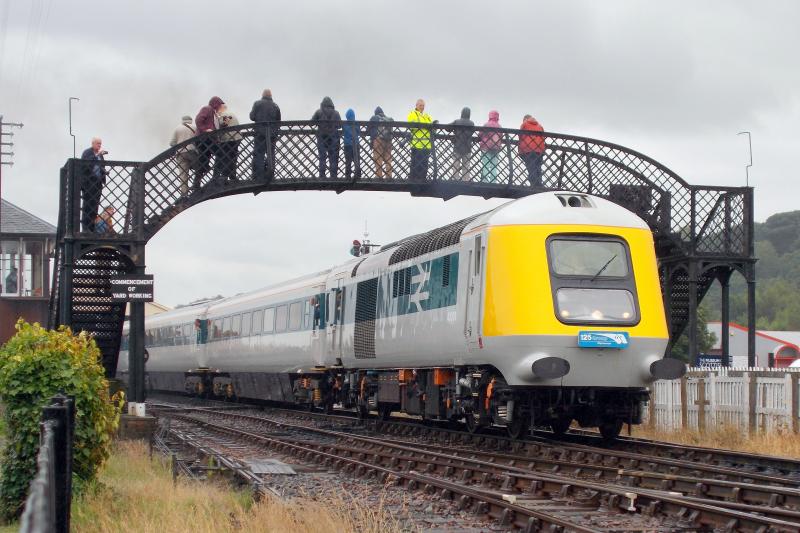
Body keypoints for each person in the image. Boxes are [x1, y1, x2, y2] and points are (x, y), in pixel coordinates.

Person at [250, 89, 281, 181]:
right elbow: (278, 121)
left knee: (259, 154)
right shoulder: (276, 106)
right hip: (272, 134)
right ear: (271, 96)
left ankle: (259, 176)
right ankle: (270, 175)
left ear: (262, 95)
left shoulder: (257, 104)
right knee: (271, 154)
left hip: (259, 133)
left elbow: (252, 117)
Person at [194, 96, 225, 189]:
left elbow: (213, 128)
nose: (221, 106)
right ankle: (215, 177)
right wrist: (205, 130)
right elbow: (198, 119)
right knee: (221, 154)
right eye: (220, 104)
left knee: (203, 162)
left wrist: (223, 125)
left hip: (206, 139)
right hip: (205, 139)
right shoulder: (207, 109)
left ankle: (196, 184)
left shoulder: (213, 113)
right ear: (215, 103)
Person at [80, 137, 108, 232]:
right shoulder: (87, 152)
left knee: (95, 206)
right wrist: (97, 155)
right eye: (98, 143)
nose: (99, 145)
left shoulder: (100, 156)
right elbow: (85, 165)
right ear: (92, 143)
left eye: (100, 144)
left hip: (98, 183)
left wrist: (104, 173)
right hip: (89, 182)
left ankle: (92, 227)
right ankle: (86, 228)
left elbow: (101, 166)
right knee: (88, 205)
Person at [311, 97, 341, 178]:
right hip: (333, 138)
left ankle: (322, 175)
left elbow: (311, 123)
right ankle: (333, 176)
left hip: (321, 137)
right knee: (333, 158)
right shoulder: (336, 113)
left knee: (322, 157)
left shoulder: (319, 112)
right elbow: (339, 126)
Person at [169, 115, 198, 196]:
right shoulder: (195, 128)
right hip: (192, 151)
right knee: (199, 169)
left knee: (183, 175)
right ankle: (196, 186)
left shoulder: (177, 128)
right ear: (190, 120)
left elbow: (172, 143)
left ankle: (184, 194)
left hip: (180, 153)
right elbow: (198, 141)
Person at [407, 99, 433, 181]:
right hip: (417, 143)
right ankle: (414, 180)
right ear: (416, 105)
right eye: (420, 105)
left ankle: (422, 179)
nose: (422, 107)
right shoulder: (412, 114)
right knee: (416, 164)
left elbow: (431, 128)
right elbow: (411, 126)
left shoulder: (427, 116)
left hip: (427, 144)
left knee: (425, 164)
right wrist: (422, 125)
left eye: (423, 106)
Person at [518, 114, 546, 186]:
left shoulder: (524, 124)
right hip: (539, 149)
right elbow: (543, 137)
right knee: (538, 167)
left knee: (531, 166)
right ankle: (539, 183)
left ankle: (533, 184)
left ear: (525, 119)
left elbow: (520, 135)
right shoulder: (540, 126)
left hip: (528, 148)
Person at [216, 111, 243, 182]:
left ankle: (224, 176)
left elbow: (223, 124)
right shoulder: (232, 114)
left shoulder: (223, 116)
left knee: (226, 158)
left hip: (228, 139)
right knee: (233, 158)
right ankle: (232, 175)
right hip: (236, 138)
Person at [368, 107, 393, 178]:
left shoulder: (374, 118)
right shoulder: (388, 119)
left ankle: (379, 176)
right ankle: (389, 176)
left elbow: (368, 129)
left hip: (378, 140)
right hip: (388, 141)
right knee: (388, 159)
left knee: (378, 158)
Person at [479, 110, 503, 183]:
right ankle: (493, 181)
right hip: (496, 147)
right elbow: (501, 136)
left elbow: (480, 134)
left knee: (485, 165)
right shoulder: (499, 126)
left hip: (486, 146)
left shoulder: (486, 125)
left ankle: (485, 181)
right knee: (494, 166)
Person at [451, 107, 474, 181]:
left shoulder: (457, 121)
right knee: (466, 165)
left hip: (457, 146)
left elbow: (447, 128)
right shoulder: (471, 123)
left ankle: (455, 178)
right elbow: (472, 132)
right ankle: (466, 179)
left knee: (456, 164)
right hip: (467, 147)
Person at [342, 109, 361, 179]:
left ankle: (348, 175)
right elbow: (359, 132)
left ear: (347, 116)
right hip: (356, 143)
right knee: (357, 160)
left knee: (348, 161)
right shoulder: (356, 123)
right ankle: (358, 174)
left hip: (347, 144)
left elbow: (343, 131)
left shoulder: (344, 124)